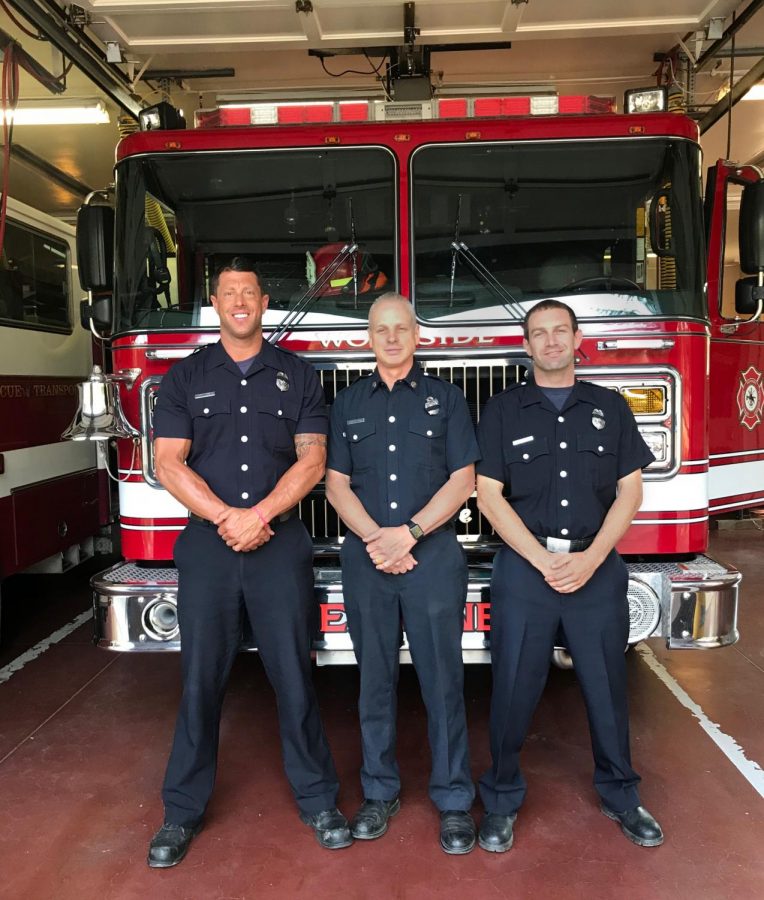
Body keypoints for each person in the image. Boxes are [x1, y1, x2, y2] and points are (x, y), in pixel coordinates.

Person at [147, 257, 350, 868]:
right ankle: (181, 811)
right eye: (228, 293)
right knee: (200, 681)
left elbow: (312, 460)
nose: (239, 302)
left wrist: (258, 516)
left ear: (264, 304)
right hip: (209, 548)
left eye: (249, 293)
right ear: (216, 305)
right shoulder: (184, 378)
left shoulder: (299, 375)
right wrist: (225, 519)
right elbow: (168, 462)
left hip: (279, 545)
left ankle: (319, 800)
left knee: (294, 676)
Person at [475, 299, 663, 853]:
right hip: (526, 569)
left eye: (561, 331)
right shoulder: (502, 411)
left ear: (577, 338)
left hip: (595, 567)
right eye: (540, 334)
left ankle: (622, 795)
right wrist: (540, 559)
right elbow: (488, 494)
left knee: (607, 688)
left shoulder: (611, 407)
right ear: (527, 345)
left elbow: (630, 490)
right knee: (512, 690)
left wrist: (591, 557)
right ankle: (502, 799)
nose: (551, 341)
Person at [325, 292, 479, 854]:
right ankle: (379, 791)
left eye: (401, 328)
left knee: (444, 683)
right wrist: (377, 539)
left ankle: (455, 801)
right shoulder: (346, 404)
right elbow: (336, 485)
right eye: (381, 329)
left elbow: (463, 479)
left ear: (418, 335)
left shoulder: (448, 399)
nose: (392, 338)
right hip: (367, 561)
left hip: (432, 559)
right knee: (373, 682)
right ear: (369, 337)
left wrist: (408, 535)